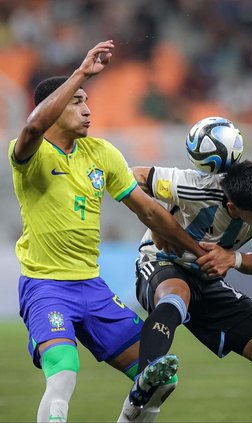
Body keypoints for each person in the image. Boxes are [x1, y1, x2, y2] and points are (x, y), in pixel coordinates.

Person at [8, 40, 207, 423]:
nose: (86, 110)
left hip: (92, 288)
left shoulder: (102, 153)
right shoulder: (29, 154)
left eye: (87, 101)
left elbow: (149, 210)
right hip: (46, 286)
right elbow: (33, 125)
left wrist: (197, 251)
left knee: (159, 378)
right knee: (63, 375)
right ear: (51, 110)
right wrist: (80, 71)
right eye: (76, 101)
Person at [127, 159, 252, 422]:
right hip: (162, 262)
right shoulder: (194, 187)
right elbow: (133, 176)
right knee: (176, 294)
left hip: (208, 280)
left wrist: (234, 259)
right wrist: (154, 218)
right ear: (232, 207)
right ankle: (146, 378)